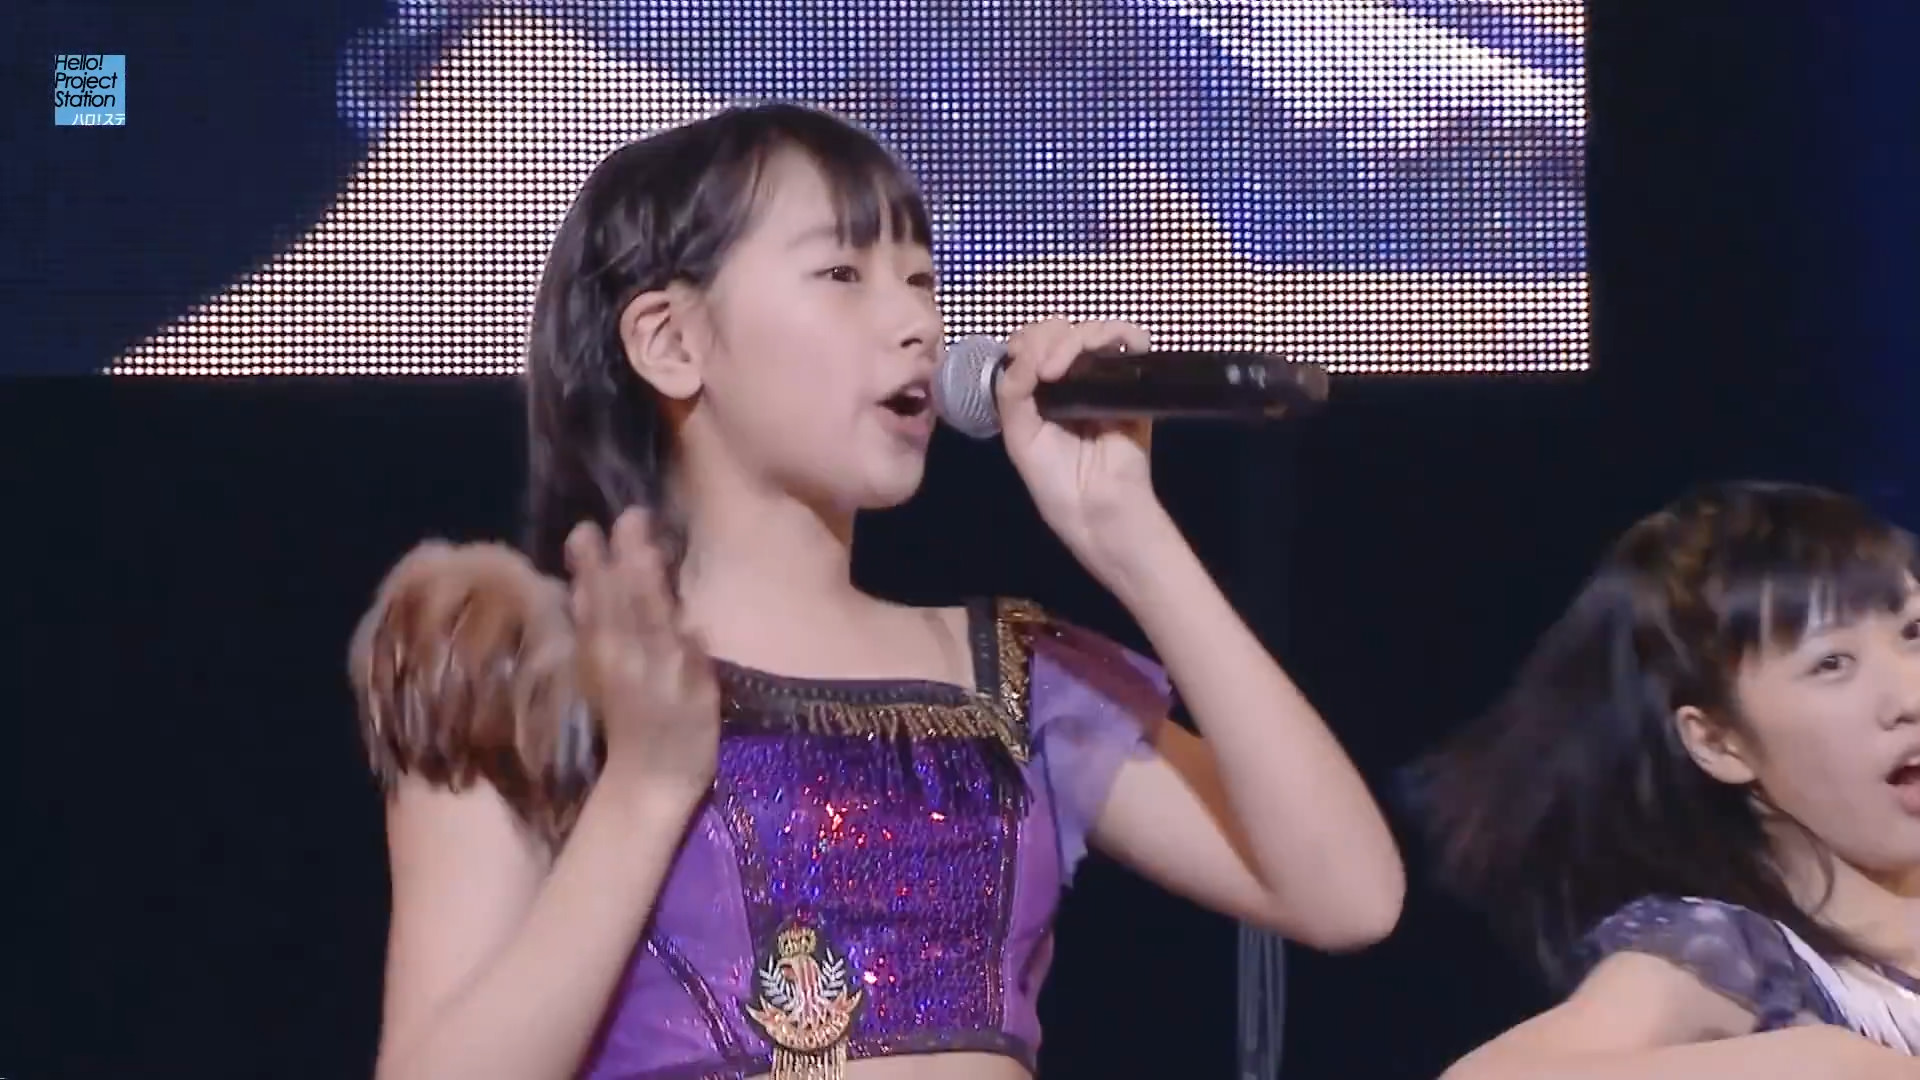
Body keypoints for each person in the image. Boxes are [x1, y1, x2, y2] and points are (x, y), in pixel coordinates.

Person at [347, 102, 1403, 1080]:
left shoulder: (1011, 676)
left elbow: (1348, 895)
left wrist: (1126, 531)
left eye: (922, 279)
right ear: (670, 342)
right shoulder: (528, 676)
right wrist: (647, 785)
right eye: (843, 273)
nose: (916, 325)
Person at [1410, 481, 1920, 1078]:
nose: (1910, 695)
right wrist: (1827, 1064)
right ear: (1718, 742)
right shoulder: (1737, 955)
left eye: (1914, 632)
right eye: (1830, 663)